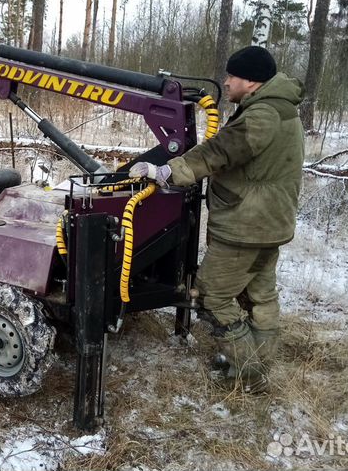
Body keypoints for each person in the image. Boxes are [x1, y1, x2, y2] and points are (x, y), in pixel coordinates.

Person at [129, 46, 304, 392]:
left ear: (251, 82)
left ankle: (248, 373)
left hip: (246, 226)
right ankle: (260, 364)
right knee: (259, 296)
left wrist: (165, 171)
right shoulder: (282, 109)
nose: (226, 81)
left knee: (213, 296)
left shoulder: (262, 116)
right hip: (270, 223)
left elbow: (219, 152)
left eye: (232, 76)